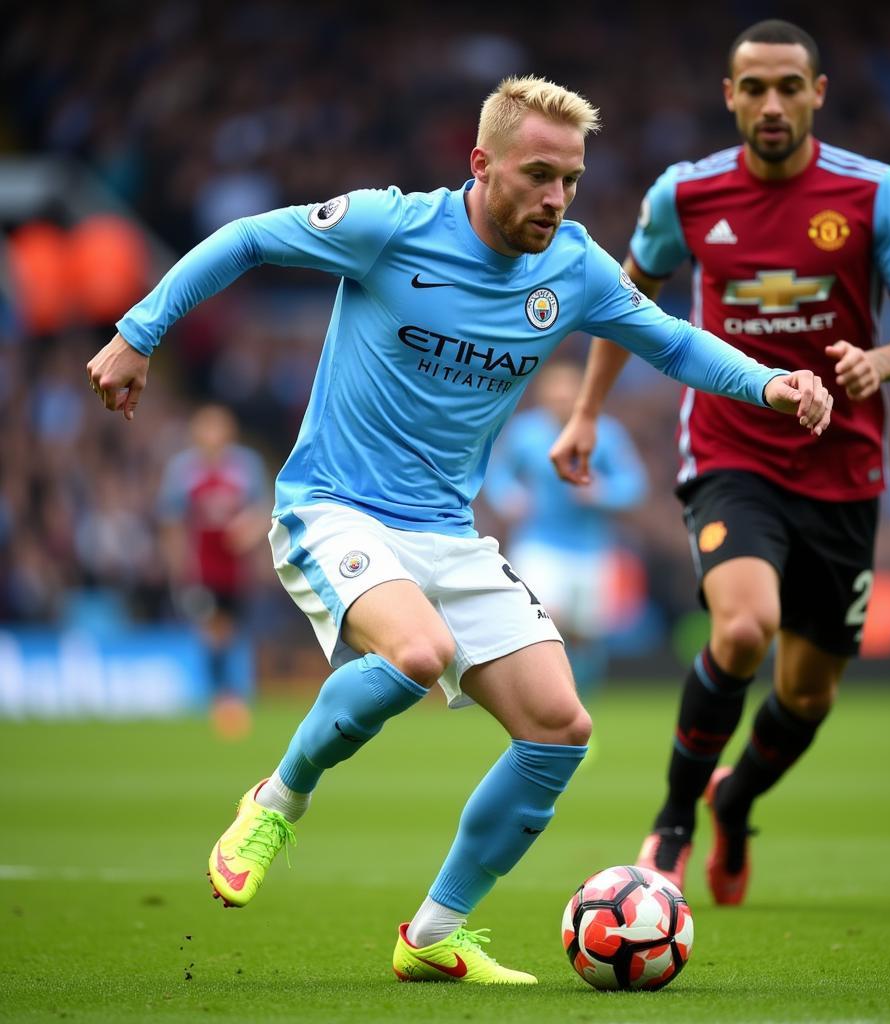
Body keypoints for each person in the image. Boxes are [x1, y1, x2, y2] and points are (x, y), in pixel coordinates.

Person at [86, 76, 832, 984]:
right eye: (537, 175)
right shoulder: (390, 227)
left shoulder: (575, 266)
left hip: (448, 530)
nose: (556, 198)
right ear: (481, 165)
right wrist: (139, 331)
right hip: (333, 506)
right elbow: (247, 239)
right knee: (414, 653)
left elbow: (670, 341)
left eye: (572, 179)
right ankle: (279, 797)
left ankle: (435, 933)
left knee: (560, 727)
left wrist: (771, 383)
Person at [550, 21, 890, 907]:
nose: (772, 104)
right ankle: (674, 823)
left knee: (806, 695)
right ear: (729, 96)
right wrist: (585, 414)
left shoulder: (872, 192)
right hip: (730, 450)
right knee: (741, 630)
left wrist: (876, 364)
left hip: (843, 468)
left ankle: (736, 800)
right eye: (754, 88)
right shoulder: (684, 195)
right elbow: (626, 304)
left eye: (789, 87)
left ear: (818, 93)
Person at [484, 359, 648, 695]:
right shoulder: (525, 432)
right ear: (543, 397)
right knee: (545, 617)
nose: (560, 401)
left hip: (591, 548)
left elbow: (634, 484)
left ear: (581, 396)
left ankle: (580, 699)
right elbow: (497, 474)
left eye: (567, 394)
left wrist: (603, 492)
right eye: (554, 394)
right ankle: (545, 695)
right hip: (538, 542)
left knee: (586, 634)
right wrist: (510, 497)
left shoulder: (605, 434)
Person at [158, 403, 270, 738]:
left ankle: (229, 698)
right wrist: (179, 567)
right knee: (213, 630)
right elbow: (172, 521)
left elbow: (265, 510)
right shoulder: (183, 471)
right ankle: (222, 700)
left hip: (237, 569)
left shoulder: (247, 466)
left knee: (233, 631)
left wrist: (249, 529)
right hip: (202, 570)